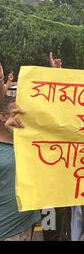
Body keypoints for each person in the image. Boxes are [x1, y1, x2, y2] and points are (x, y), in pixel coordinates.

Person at [0, 99, 41, 241]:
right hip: (6, 232)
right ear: (3, 116)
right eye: (17, 114)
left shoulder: (27, 145)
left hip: (27, 225)